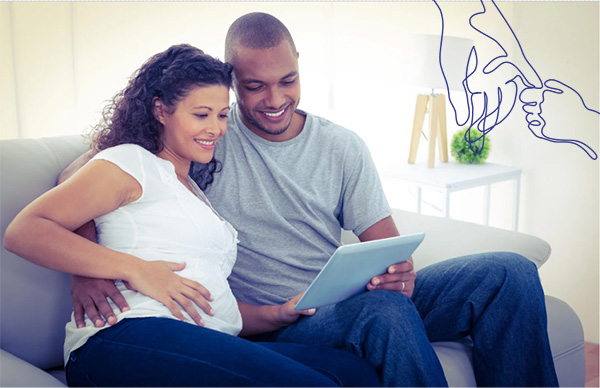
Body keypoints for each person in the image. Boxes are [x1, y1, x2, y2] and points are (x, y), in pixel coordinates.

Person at [66, 13, 559, 387]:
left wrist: (399, 272)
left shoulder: (341, 145)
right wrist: (87, 269)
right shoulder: (206, 134)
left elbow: (386, 246)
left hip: (346, 302)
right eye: (255, 86)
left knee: (508, 273)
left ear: (299, 66)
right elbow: (79, 174)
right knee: (382, 314)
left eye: (287, 81)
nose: (275, 99)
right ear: (232, 81)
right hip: (281, 322)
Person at [3, 43, 380, 387]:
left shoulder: (195, 190)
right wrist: (134, 269)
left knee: (354, 373)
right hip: (124, 339)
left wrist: (275, 314)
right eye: (201, 115)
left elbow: (203, 301)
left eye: (221, 114)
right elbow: (24, 231)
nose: (215, 129)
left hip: (204, 341)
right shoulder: (132, 162)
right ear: (160, 110)